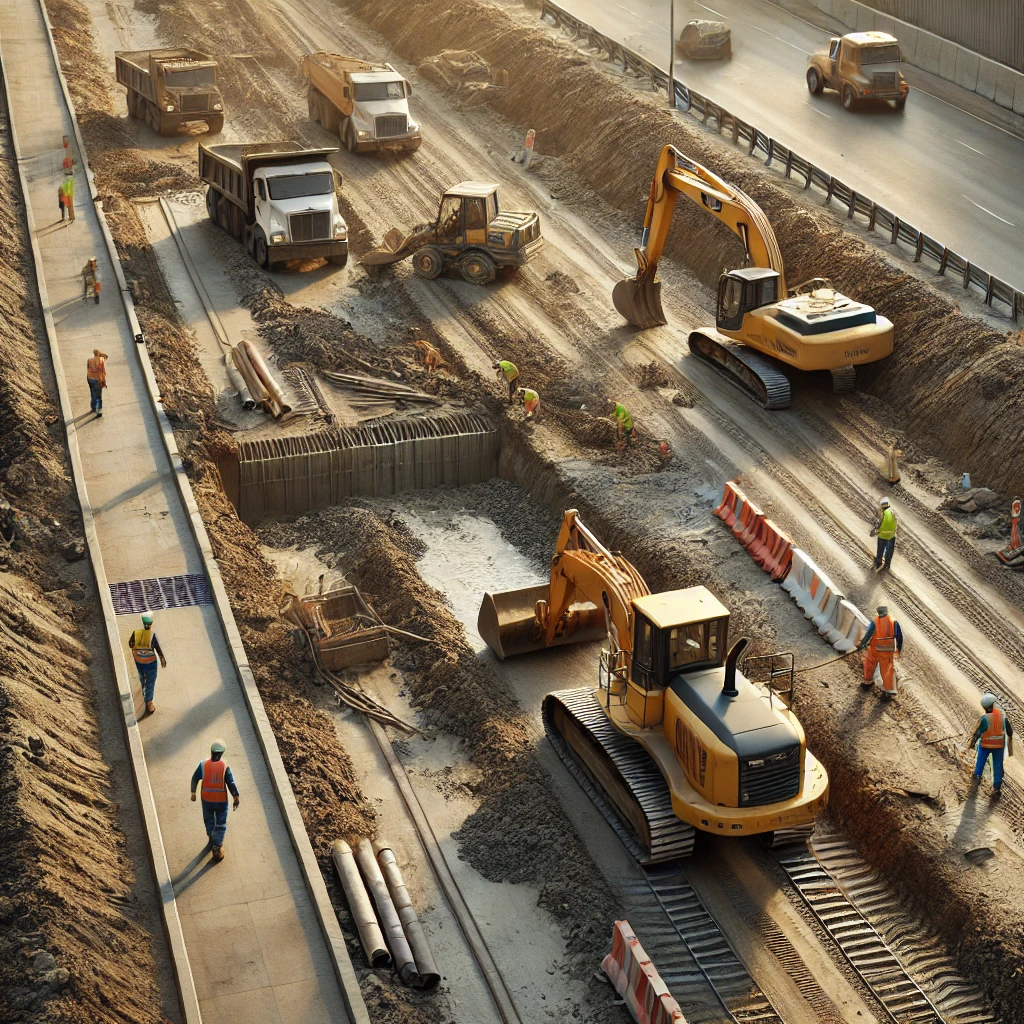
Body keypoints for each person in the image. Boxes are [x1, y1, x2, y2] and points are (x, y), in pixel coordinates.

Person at [190, 740, 240, 861]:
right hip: (221, 800)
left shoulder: (203, 765)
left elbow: (195, 778)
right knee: (221, 822)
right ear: (221, 754)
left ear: (211, 752)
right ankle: (217, 848)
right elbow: (230, 782)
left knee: (208, 818)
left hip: (206, 798)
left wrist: (193, 792)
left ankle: (211, 835)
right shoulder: (225, 767)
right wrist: (235, 796)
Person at [970, 693, 1014, 796]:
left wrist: (972, 743)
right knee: (998, 765)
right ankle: (996, 787)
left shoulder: (985, 719)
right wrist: (1010, 748)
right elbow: (1010, 732)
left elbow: (978, 733)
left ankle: (976, 779)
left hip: (985, 746)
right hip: (999, 747)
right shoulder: (1003, 717)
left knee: (980, 762)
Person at [856, 604, 903, 697]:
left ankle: (868, 682)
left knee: (869, 664)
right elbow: (899, 636)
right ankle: (889, 691)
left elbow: (868, 634)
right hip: (887, 649)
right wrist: (898, 648)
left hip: (875, 648)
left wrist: (862, 644)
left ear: (878, 613)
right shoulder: (894, 622)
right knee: (887, 669)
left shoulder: (875, 621)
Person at [128, 613, 167, 715]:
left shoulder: (135, 633)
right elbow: (157, 648)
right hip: (150, 662)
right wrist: (162, 658)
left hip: (139, 661)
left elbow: (130, 644)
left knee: (142, 677)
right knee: (150, 681)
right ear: (151, 624)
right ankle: (149, 703)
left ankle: (141, 694)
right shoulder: (152, 635)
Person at [872, 496, 897, 572]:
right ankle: (887, 565)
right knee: (889, 551)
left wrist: (874, 531)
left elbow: (877, 523)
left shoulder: (881, 513)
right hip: (892, 536)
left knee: (880, 549)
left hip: (882, 535)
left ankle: (878, 562)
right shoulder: (892, 512)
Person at [86, 349, 108, 416]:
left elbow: (88, 369)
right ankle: (98, 409)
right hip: (98, 379)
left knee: (93, 393)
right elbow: (103, 372)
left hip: (90, 378)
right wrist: (104, 381)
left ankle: (93, 407)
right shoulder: (102, 360)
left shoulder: (89, 360)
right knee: (98, 395)